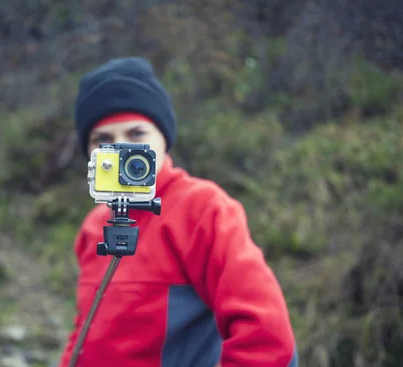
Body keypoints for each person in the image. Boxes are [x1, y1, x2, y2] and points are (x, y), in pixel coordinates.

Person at [57, 57, 299, 367]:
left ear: (163, 139)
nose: (120, 150)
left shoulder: (201, 210)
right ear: (89, 154)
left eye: (136, 135)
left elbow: (268, 339)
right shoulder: (94, 226)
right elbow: (85, 331)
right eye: (103, 139)